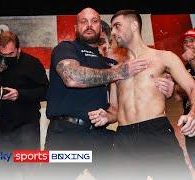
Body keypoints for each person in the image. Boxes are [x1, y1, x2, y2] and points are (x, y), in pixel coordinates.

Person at [45, 7, 175, 180]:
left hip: (100, 136)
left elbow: (118, 108)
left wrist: (168, 88)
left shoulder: (110, 64)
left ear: (101, 28)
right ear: (76, 28)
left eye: (94, 21)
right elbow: (71, 77)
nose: (89, 25)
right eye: (83, 21)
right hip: (66, 135)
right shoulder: (66, 48)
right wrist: (118, 73)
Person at [95, 10, 194, 179]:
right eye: (112, 28)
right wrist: (107, 116)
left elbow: (192, 88)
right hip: (123, 137)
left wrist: (193, 113)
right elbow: (114, 109)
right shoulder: (117, 70)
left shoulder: (164, 58)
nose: (112, 32)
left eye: (117, 26)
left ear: (134, 26)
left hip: (155, 131)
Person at [0, 31, 49, 179]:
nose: (6, 59)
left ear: (18, 49)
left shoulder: (32, 64)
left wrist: (20, 94)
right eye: (2, 54)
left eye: (10, 54)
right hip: (1, 127)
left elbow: (45, 91)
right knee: (1, 170)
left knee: (30, 170)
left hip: (26, 125)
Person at [175, 29, 195, 167]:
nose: (188, 44)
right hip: (189, 120)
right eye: (185, 42)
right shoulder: (185, 68)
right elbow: (176, 94)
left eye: (192, 41)